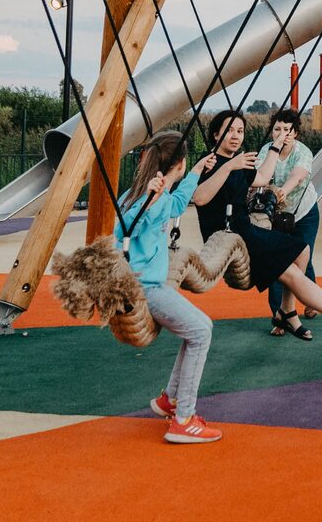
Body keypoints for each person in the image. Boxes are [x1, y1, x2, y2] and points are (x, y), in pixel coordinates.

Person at [190, 109, 322, 341]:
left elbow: (261, 178)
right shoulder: (209, 162)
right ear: (215, 134)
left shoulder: (239, 161)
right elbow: (200, 197)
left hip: (246, 230)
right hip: (230, 238)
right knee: (292, 274)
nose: (236, 136)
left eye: (240, 131)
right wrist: (229, 166)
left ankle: (287, 311)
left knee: (302, 250)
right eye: (229, 131)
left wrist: (275, 147)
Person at [116, 130, 222, 443]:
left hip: (151, 284)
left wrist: (195, 173)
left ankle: (170, 400)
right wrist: (147, 203)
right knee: (201, 332)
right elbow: (121, 228)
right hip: (144, 288)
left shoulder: (157, 196)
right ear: (177, 162)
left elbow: (176, 205)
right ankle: (183, 419)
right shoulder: (146, 198)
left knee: (200, 328)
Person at [254, 108, 322, 334]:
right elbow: (259, 175)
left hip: (303, 213)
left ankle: (311, 301)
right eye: (277, 129)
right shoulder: (267, 150)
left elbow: (297, 175)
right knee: (278, 262)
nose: (282, 133)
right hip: (276, 215)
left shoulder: (302, 152)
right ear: (272, 131)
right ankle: (279, 315)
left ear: (295, 133)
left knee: (303, 256)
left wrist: (282, 191)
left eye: (287, 129)